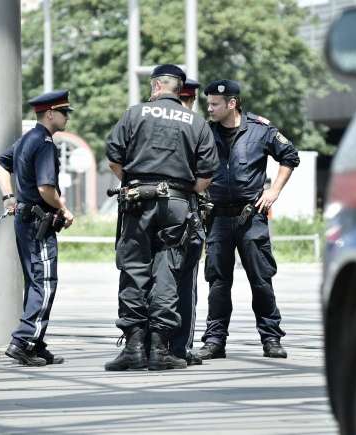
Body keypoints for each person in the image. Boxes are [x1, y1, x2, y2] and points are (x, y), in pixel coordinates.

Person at [104, 64, 219, 371]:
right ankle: (159, 349)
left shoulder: (134, 114)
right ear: (180, 90)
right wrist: (184, 192)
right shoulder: (196, 123)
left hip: (137, 201)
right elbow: (206, 174)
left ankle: (133, 348)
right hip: (177, 205)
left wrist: (134, 182)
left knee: (134, 269)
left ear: (156, 86)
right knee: (168, 272)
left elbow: (114, 158)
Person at [196, 79, 300, 360]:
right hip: (217, 217)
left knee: (261, 279)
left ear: (232, 103)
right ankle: (215, 341)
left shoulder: (260, 129)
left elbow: (290, 156)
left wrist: (274, 191)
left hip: (250, 217)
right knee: (218, 282)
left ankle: (271, 338)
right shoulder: (205, 132)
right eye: (208, 103)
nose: (209, 108)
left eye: (215, 104)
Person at [0, 90, 75, 366]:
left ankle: (36, 343)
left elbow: (0, 163)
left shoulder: (27, 139)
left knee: (34, 281)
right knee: (45, 282)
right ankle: (23, 341)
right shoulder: (44, 143)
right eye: (64, 112)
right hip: (39, 221)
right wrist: (64, 209)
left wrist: (9, 197)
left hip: (25, 219)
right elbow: (45, 188)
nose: (67, 117)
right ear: (50, 114)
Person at [168, 77, 204, 366]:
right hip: (186, 209)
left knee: (153, 278)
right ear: (191, 99)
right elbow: (207, 173)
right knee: (185, 281)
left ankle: (150, 342)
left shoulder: (145, 120)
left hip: (148, 211)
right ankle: (180, 347)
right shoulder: (195, 126)